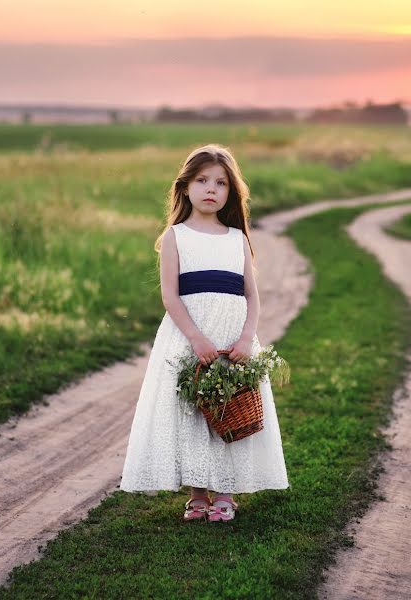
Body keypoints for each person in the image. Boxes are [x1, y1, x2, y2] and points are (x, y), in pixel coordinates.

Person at [120, 143, 289, 522]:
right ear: (185, 187)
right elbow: (169, 295)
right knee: (193, 410)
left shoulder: (237, 239)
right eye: (202, 181)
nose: (211, 189)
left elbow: (252, 296)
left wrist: (246, 338)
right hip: (189, 336)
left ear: (231, 192)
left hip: (231, 337)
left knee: (231, 407)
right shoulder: (176, 237)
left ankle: (226, 493)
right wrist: (195, 338)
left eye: (221, 183)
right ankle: (198, 493)